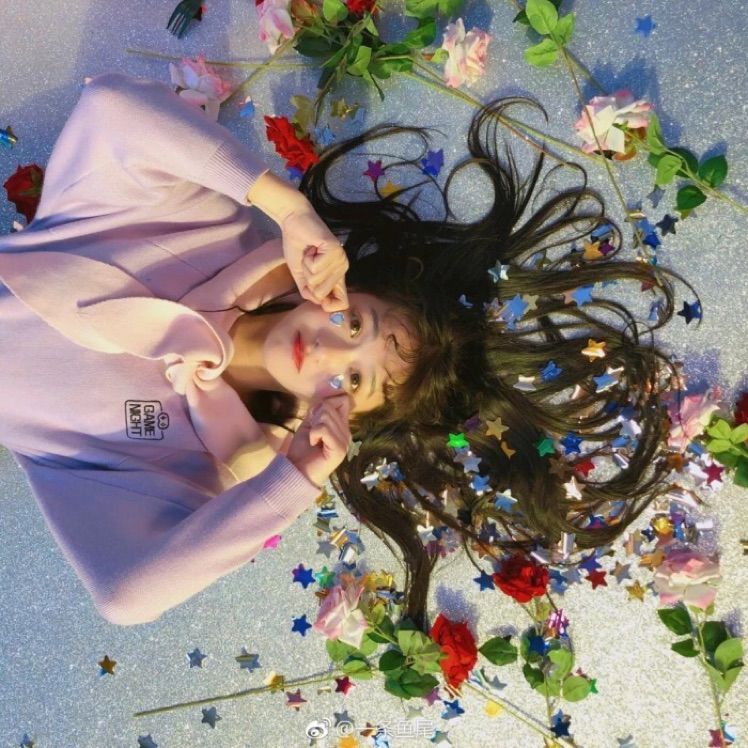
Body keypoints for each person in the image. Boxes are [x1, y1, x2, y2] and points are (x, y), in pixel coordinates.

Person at [0, 72, 694, 631]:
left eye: (357, 382)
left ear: (351, 420)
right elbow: (110, 107)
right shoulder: (212, 227)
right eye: (357, 324)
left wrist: (293, 481)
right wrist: (286, 207)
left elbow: (125, 596)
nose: (332, 351)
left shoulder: (199, 474)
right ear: (344, 286)